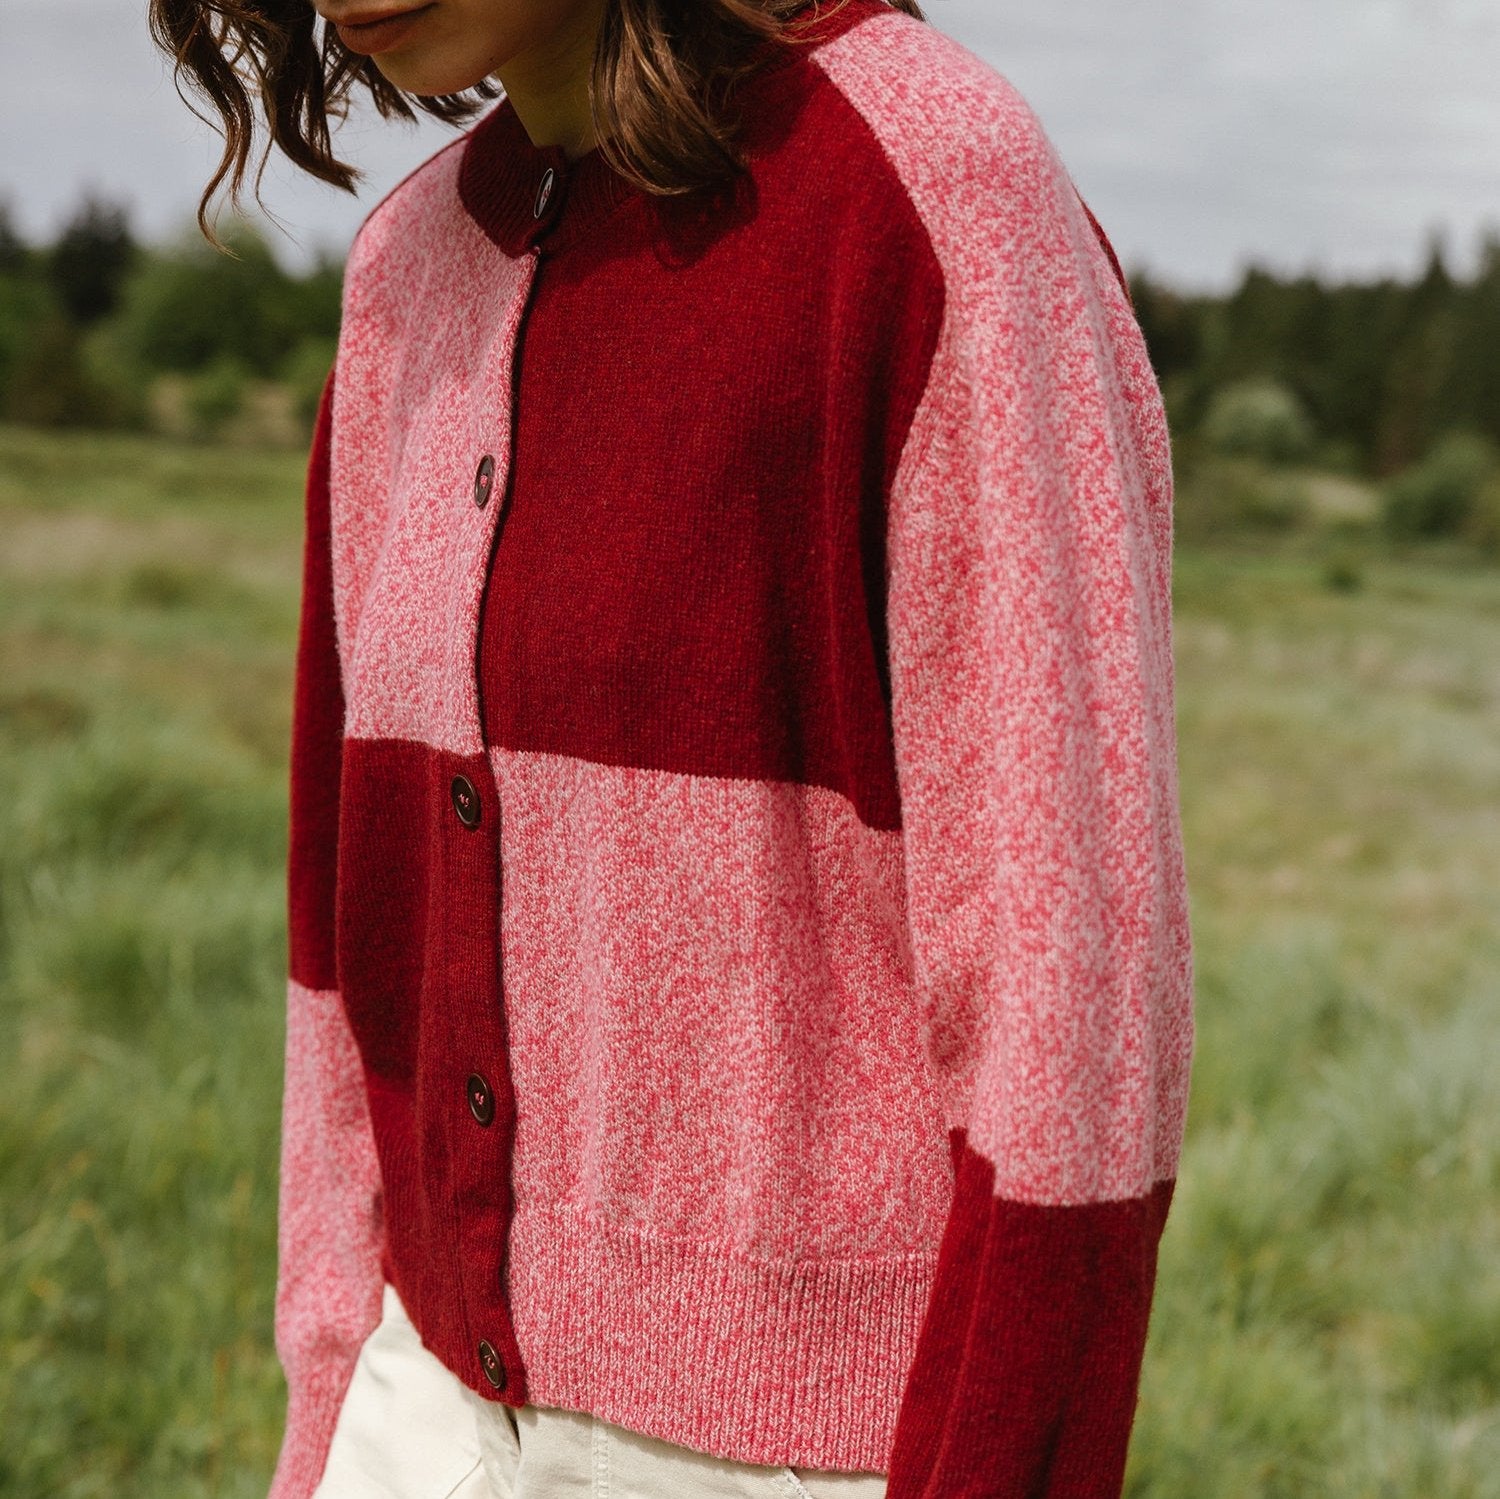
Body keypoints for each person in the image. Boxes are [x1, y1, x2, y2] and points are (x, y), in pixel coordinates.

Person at [147, 0, 1196, 1495]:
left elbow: (1073, 1008)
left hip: (802, 1457)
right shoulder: (409, 271)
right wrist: (327, 1421)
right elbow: (348, 952)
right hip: (416, 1410)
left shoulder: (927, 183)